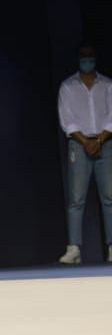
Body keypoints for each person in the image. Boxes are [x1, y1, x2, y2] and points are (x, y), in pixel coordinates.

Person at [56, 42, 112, 264]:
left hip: (105, 143)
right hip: (79, 145)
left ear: (95, 58)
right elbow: (67, 119)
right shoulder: (68, 86)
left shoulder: (107, 84)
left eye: (90, 56)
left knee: (109, 197)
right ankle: (74, 248)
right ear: (78, 59)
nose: (87, 60)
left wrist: (99, 140)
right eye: (83, 56)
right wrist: (86, 142)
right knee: (76, 199)